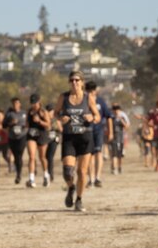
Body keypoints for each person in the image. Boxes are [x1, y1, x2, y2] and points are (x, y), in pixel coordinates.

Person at [55, 71, 100, 212]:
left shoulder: (88, 98)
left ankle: (79, 200)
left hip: (85, 137)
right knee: (68, 171)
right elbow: (56, 112)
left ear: (82, 82)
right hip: (69, 137)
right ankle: (71, 187)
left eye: (77, 80)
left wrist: (91, 118)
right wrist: (61, 117)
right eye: (71, 80)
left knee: (81, 171)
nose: (74, 83)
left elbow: (97, 116)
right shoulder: (64, 97)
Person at [85, 80, 113, 187]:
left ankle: (98, 178)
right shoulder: (84, 101)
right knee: (89, 156)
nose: (91, 94)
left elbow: (108, 116)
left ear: (95, 91)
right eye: (89, 92)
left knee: (98, 153)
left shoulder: (101, 101)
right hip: (87, 131)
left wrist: (110, 132)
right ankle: (90, 178)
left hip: (98, 131)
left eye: (93, 92)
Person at [25, 93, 51, 187]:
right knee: (31, 157)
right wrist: (26, 125)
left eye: (35, 103)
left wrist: (39, 121)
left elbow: (48, 125)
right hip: (31, 135)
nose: (33, 105)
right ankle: (31, 179)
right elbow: (27, 124)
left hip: (42, 135)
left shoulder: (43, 111)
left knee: (42, 157)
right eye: (32, 103)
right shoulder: (29, 111)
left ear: (39, 102)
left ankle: (45, 175)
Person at [3, 97, 27, 184]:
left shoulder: (24, 113)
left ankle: (19, 174)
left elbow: (28, 123)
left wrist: (25, 127)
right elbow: (4, 125)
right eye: (14, 104)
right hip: (12, 137)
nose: (15, 105)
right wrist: (11, 123)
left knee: (19, 155)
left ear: (19, 104)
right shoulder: (9, 114)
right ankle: (18, 173)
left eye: (17, 103)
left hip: (22, 136)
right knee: (16, 156)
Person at [110, 103, 129, 175]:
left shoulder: (122, 117)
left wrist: (121, 120)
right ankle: (114, 168)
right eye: (114, 110)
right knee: (113, 154)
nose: (116, 111)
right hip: (113, 138)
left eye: (117, 109)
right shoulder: (111, 118)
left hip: (120, 138)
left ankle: (119, 167)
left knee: (119, 155)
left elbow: (127, 127)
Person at [45, 103, 61, 182]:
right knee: (46, 157)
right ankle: (47, 173)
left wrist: (56, 127)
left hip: (54, 140)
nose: (50, 112)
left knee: (50, 157)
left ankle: (51, 174)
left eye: (51, 111)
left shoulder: (56, 119)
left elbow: (61, 129)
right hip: (45, 140)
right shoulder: (44, 119)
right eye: (48, 111)